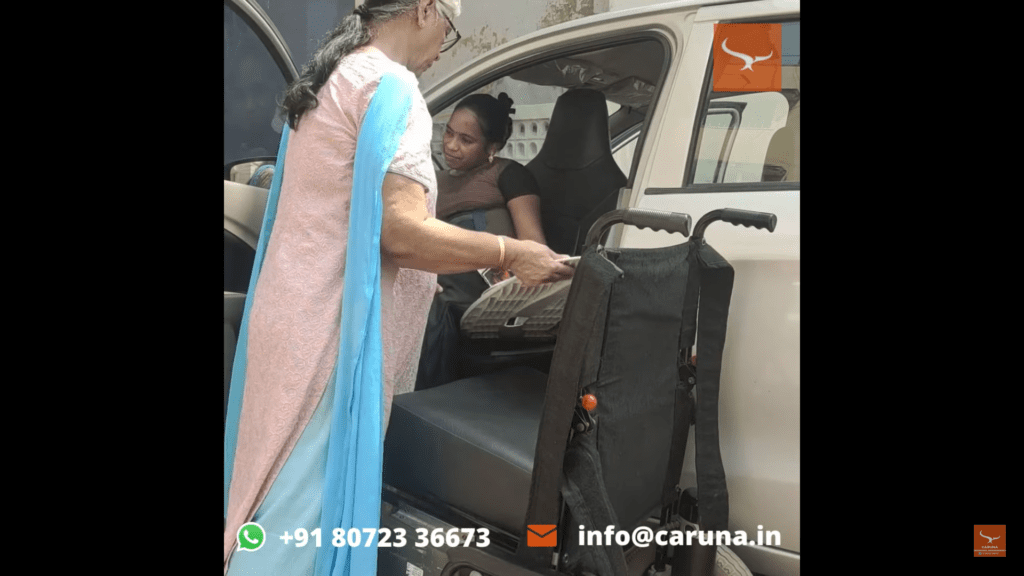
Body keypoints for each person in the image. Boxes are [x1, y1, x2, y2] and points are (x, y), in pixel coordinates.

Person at [222, 2, 574, 575]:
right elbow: (401, 233)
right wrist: (512, 253)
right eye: (450, 29)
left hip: (289, 322)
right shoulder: (394, 89)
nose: (442, 46)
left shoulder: (331, 78)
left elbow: (339, 218)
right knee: (298, 522)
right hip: (330, 341)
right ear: (426, 9)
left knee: (266, 500)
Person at [416, 92, 551, 389]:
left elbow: (534, 244)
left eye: (466, 140)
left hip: (484, 284)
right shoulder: (434, 179)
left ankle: (422, 398)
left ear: (492, 147)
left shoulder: (508, 174)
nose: (451, 145)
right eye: (449, 133)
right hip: (439, 269)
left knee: (436, 300)